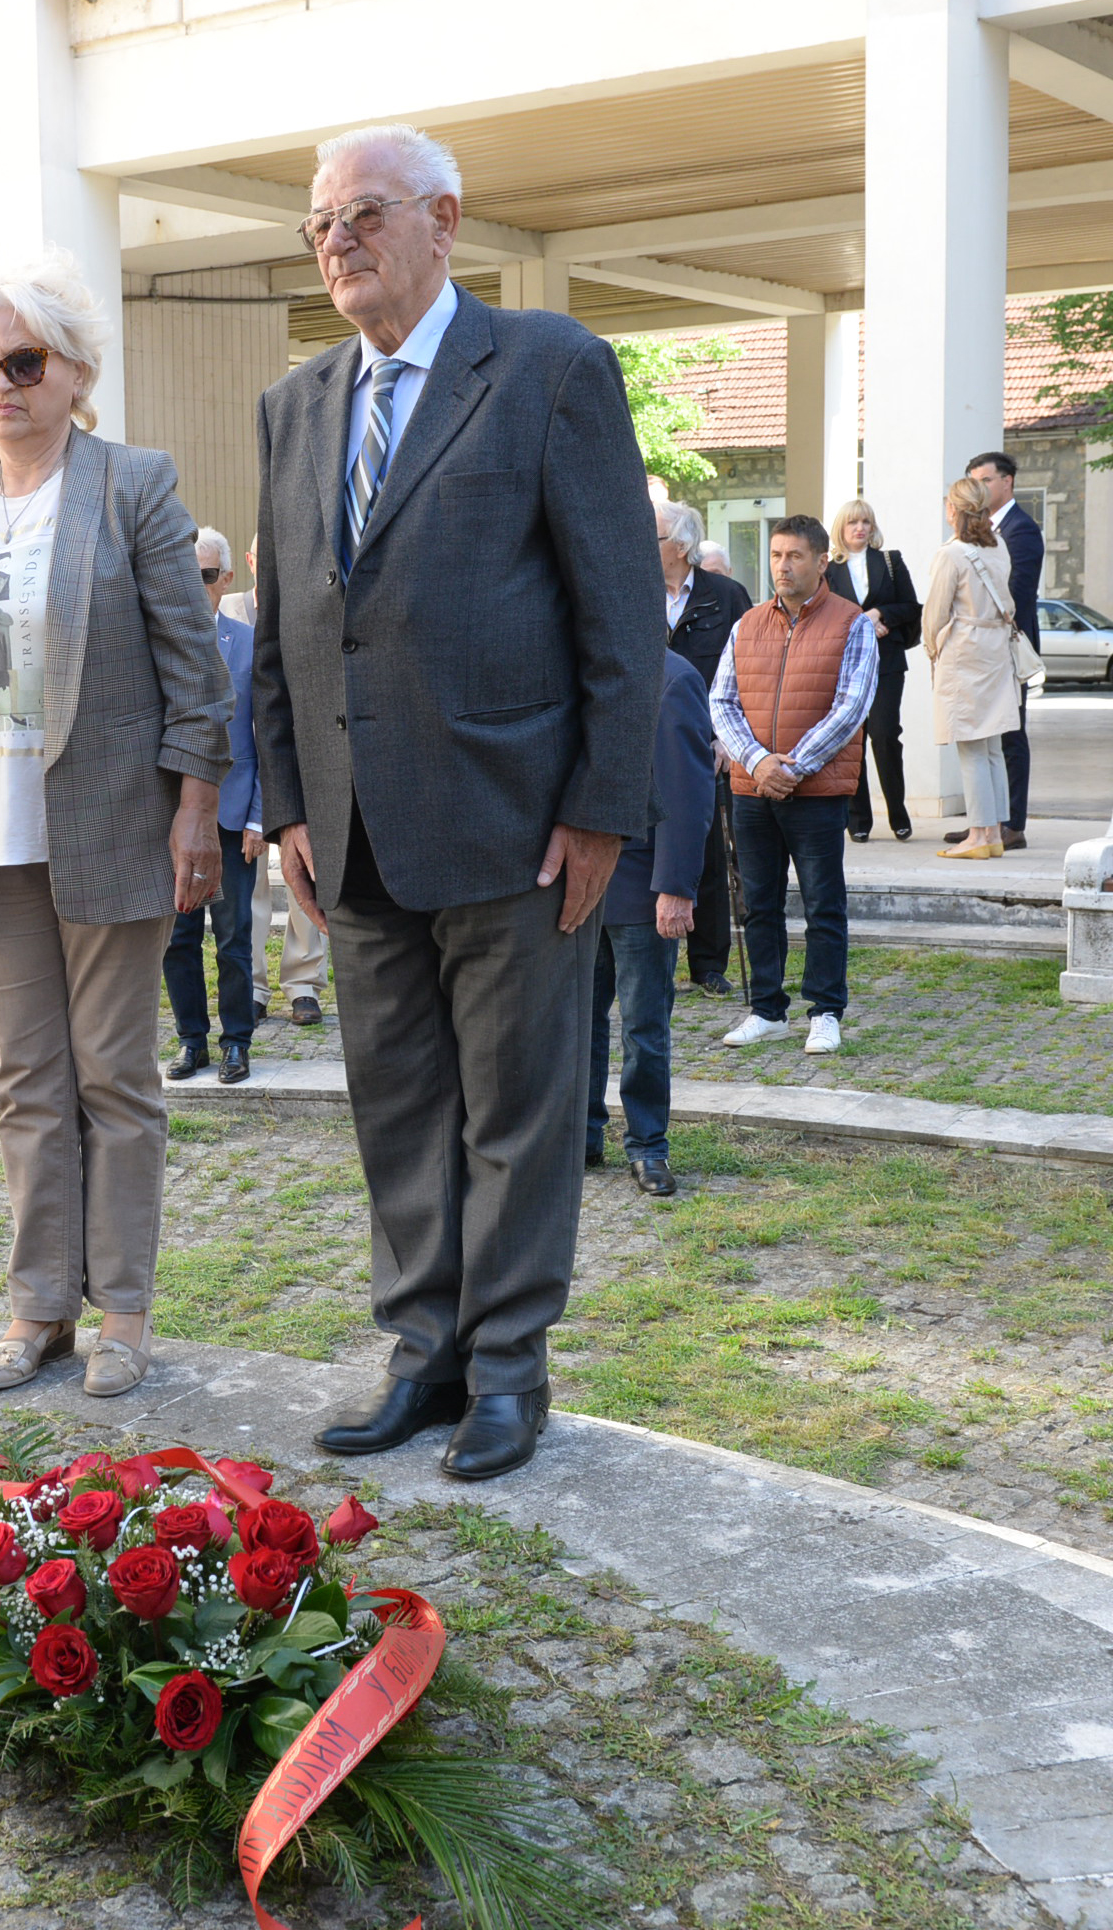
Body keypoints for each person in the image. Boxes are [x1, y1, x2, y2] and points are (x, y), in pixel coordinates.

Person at [250, 124, 663, 1481]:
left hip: (519, 828)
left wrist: (603, 809)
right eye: (321, 224)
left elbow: (616, 611)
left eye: (365, 213)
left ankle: (506, 1371)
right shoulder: (297, 404)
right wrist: (288, 803)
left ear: (445, 221)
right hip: (355, 836)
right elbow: (287, 633)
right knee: (398, 1111)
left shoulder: (549, 370)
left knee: (520, 1113)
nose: (339, 241)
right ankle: (421, 1354)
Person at [0, 250, 230, 1400]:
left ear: (74, 369)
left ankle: (123, 1310)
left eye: (21, 361)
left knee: (113, 1077)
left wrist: (196, 811)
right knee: (23, 1078)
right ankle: (38, 1303)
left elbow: (194, 670)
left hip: (108, 824)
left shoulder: (129, 483)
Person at [711, 514, 875, 1056]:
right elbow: (721, 702)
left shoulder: (852, 624)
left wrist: (793, 767)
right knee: (759, 904)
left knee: (823, 905)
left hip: (818, 791)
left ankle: (825, 1011)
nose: (783, 565)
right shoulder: (747, 624)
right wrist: (759, 764)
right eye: (777, 555)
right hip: (752, 789)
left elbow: (850, 708)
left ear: (821, 561)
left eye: (795, 556)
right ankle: (767, 1010)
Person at [590, 629, 710, 1197]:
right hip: (579, 885)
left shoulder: (673, 679)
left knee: (643, 1028)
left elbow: (687, 795)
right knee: (574, 1023)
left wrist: (674, 887)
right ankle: (582, 1138)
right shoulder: (586, 668)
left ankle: (646, 1145)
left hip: (641, 887)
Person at [164, 527, 262, 1084]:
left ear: (225, 579)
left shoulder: (248, 644)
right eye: (185, 575)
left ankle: (237, 1043)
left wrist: (258, 817)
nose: (193, 586)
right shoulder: (159, 645)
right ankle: (191, 1040)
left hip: (233, 816)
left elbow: (268, 737)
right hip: (174, 817)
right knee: (178, 937)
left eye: (203, 576)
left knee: (233, 937)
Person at [220, 535, 327, 1026]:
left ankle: (303, 984)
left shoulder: (313, 603)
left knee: (307, 868)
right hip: (249, 768)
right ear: (249, 562)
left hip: (305, 762)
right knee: (253, 882)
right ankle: (255, 985)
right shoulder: (233, 612)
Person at [656, 500, 750, 999]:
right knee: (650, 850)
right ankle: (653, 956)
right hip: (648, 742)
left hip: (709, 744)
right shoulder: (635, 592)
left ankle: (708, 962)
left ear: (682, 546)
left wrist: (727, 739)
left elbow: (749, 674)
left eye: (652, 538)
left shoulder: (726, 596)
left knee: (708, 853)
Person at [918, 477, 1022, 861]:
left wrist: (932, 649)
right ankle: (993, 831)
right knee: (992, 745)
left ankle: (978, 835)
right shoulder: (999, 547)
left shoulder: (952, 554)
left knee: (972, 748)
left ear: (952, 509)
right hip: (996, 650)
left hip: (966, 650)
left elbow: (935, 614)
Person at [956, 450, 1040, 851]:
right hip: (980, 647)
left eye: (985, 480)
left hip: (1004, 645)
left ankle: (1013, 824)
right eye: (973, 480)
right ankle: (985, 823)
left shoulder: (1021, 530)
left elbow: (1017, 593)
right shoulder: (977, 531)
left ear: (1007, 482)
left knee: (1010, 735)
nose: (979, 487)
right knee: (983, 737)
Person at [828, 500, 923, 843]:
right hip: (846, 664)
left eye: (866, 522)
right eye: (853, 522)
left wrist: (880, 614)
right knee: (853, 739)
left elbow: (911, 607)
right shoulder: (829, 568)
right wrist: (860, 623)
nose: (860, 528)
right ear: (841, 527)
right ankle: (859, 819)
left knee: (884, 735)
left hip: (887, 663)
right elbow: (822, 613)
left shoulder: (889, 561)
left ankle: (898, 812)